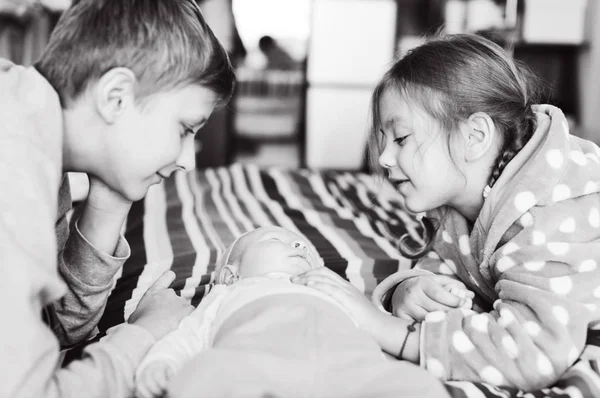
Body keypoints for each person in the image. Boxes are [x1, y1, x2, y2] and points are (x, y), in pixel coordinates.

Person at [292, 33, 600, 392]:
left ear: (474, 136)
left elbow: (534, 353)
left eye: (401, 139)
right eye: (383, 141)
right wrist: (407, 290)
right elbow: (445, 270)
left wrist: (395, 333)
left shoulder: (549, 210)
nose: (385, 159)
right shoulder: (459, 200)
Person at [0, 0, 235, 397]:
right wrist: (145, 333)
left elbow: (55, 326)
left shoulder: (38, 131)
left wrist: (110, 199)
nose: (188, 162)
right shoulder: (14, 159)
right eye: (185, 129)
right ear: (116, 98)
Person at [134, 226, 452, 398]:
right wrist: (162, 363)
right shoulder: (226, 294)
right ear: (233, 275)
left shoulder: (334, 289)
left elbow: (377, 332)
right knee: (204, 374)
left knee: (418, 386)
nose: (299, 248)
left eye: (304, 247)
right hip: (255, 365)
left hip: (348, 368)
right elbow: (189, 334)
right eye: (277, 240)